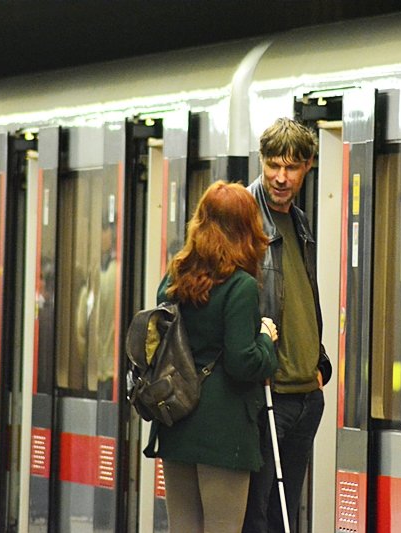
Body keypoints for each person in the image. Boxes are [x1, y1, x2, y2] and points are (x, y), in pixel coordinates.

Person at [144, 180, 280, 533]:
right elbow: (242, 361)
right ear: (245, 228)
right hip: (225, 431)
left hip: (176, 419)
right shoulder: (240, 286)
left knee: (183, 527)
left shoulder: (173, 278)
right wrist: (266, 340)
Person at [243, 117, 333, 533]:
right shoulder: (243, 218)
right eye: (273, 165)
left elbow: (302, 297)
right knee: (256, 516)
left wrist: (320, 363)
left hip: (305, 395)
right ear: (260, 161)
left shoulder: (299, 222)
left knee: (285, 514)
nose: (280, 178)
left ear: (307, 167)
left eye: (291, 167)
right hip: (268, 393)